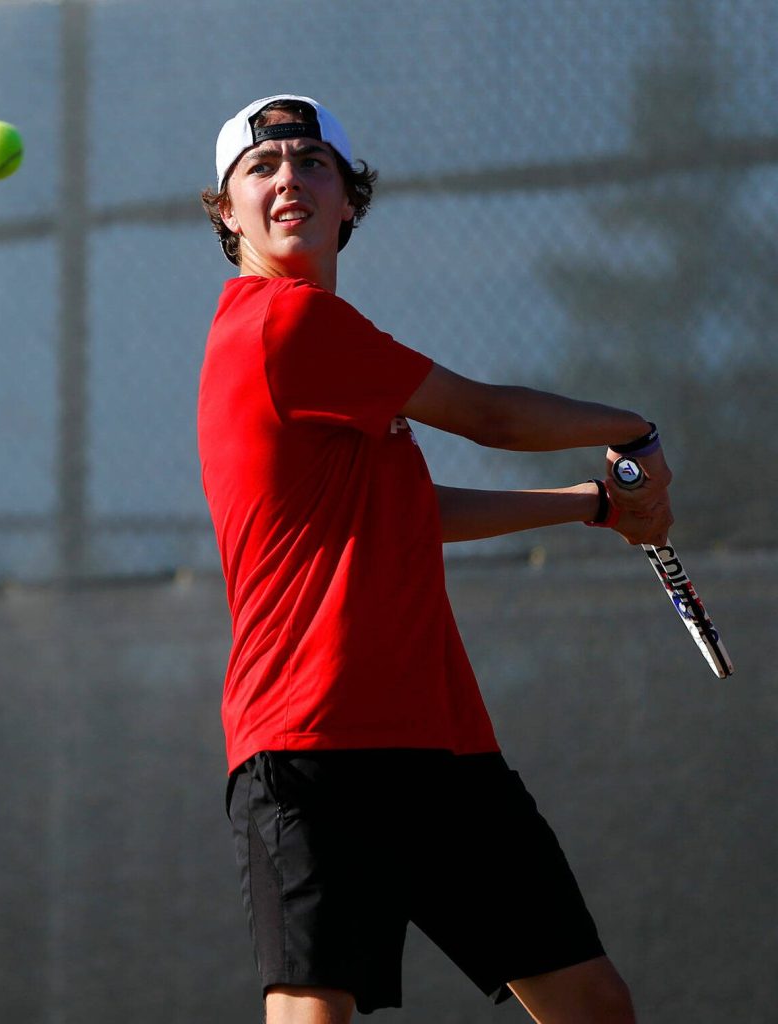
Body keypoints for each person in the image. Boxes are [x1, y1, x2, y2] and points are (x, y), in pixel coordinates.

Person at [197, 95, 672, 1024]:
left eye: (311, 162)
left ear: (347, 200)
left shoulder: (336, 362)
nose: (287, 176)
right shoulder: (281, 327)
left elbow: (405, 512)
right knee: (312, 1014)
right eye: (260, 169)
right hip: (310, 739)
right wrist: (632, 429)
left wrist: (591, 505)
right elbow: (487, 416)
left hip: (440, 739)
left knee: (589, 1005)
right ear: (226, 213)